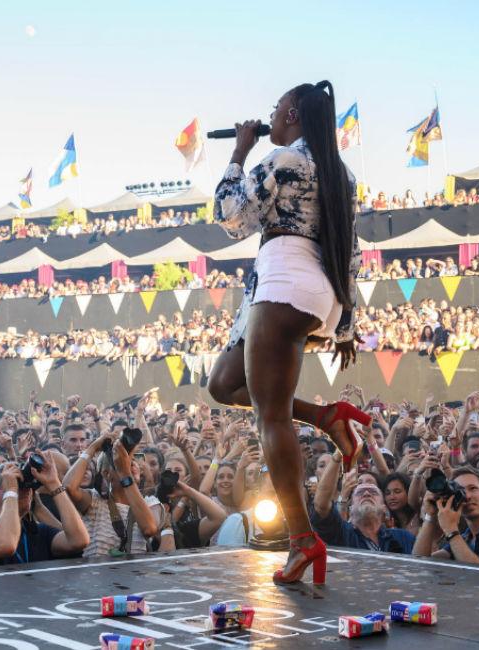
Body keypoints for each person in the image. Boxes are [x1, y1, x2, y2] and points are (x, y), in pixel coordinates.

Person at [205, 80, 371, 586]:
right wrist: (344, 324)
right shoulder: (340, 173)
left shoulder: (286, 162)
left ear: (293, 113)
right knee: (225, 384)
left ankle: (302, 540)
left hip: (283, 282)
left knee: (269, 415)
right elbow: (352, 250)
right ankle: (326, 416)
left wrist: (239, 150)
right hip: (312, 288)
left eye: (276, 109)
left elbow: (231, 216)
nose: (270, 117)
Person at [0, 454, 89, 568]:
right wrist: (11, 491)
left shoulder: (37, 531)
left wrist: (54, 483)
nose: (25, 490)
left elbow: (79, 541)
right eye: (18, 485)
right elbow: (5, 544)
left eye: (26, 486)